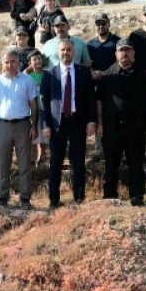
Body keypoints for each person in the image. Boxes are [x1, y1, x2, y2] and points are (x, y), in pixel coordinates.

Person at [40, 39, 96, 208]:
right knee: (55, 162)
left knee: (78, 162)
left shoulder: (83, 72)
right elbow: (43, 101)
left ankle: (79, 198)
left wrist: (91, 121)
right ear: (58, 52)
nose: (66, 53)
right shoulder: (49, 74)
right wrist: (45, 124)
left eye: (69, 50)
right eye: (63, 50)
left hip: (78, 121)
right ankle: (54, 200)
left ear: (74, 51)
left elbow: (91, 99)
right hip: (57, 123)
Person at [98, 40, 146, 206]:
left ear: (133, 53)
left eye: (128, 50)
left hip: (136, 127)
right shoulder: (107, 75)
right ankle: (110, 197)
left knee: (136, 163)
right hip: (112, 127)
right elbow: (99, 100)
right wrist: (100, 123)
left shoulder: (144, 75)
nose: (125, 53)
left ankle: (137, 197)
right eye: (121, 50)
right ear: (116, 53)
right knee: (111, 164)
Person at [0, 48, 39, 208]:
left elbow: (33, 104)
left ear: (19, 63)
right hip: (2, 126)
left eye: (13, 62)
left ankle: (25, 198)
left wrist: (34, 126)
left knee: (24, 164)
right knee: (3, 164)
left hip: (23, 125)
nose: (10, 65)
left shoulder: (27, 80)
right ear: (3, 64)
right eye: (6, 62)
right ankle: (3, 197)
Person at [25, 49, 50, 168]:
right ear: (30, 63)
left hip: (44, 110)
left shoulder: (48, 74)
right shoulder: (27, 77)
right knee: (32, 136)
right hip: (31, 111)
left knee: (42, 136)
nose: (38, 61)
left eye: (39, 58)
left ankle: (42, 159)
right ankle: (31, 159)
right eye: (34, 59)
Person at [87, 13, 121, 78]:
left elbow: (120, 62)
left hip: (113, 79)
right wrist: (93, 72)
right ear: (95, 26)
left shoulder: (118, 42)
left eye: (103, 23)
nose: (101, 26)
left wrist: (103, 73)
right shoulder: (90, 44)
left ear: (109, 24)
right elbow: (88, 63)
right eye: (98, 24)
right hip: (96, 80)